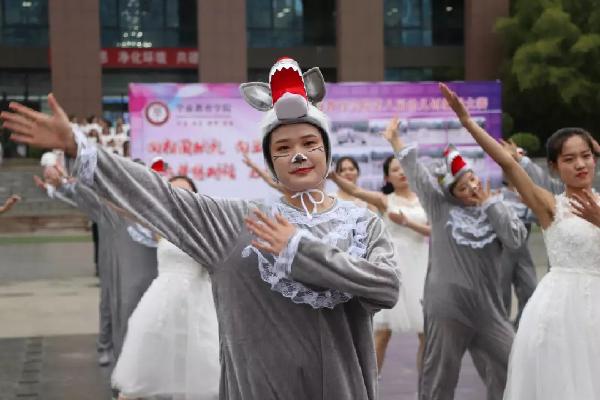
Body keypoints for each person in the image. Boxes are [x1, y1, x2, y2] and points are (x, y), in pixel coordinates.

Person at [2, 58, 399, 400]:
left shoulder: (361, 223)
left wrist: (297, 248)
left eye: (310, 143)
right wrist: (79, 147)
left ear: (327, 152)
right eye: (282, 148)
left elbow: (386, 287)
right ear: (270, 162)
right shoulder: (238, 222)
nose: (298, 155)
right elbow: (160, 197)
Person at [438, 82, 600, 400]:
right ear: (554, 166)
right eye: (569, 159)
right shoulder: (550, 204)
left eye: (586, 156)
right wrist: (468, 122)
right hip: (561, 309)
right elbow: (509, 164)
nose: (580, 165)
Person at [382, 115, 526, 400]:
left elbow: (515, 239)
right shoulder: (440, 207)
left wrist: (491, 205)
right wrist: (395, 140)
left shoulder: (496, 205)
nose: (471, 187)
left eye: (471, 179)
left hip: (489, 311)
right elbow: (417, 174)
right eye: (461, 187)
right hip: (447, 308)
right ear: (451, 193)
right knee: (440, 377)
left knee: (513, 364)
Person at [113, 176, 220, 400]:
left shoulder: (206, 228)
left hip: (198, 305)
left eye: (186, 192)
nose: (180, 197)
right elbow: (124, 208)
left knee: (199, 367)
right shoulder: (159, 225)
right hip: (160, 304)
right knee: (142, 370)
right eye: (174, 191)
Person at [330, 155, 430, 376]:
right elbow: (355, 191)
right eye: (395, 169)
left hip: (421, 266)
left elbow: (433, 230)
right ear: (387, 177)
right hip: (394, 267)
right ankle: (368, 386)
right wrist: (334, 177)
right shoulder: (384, 200)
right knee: (382, 333)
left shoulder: (424, 199)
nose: (401, 172)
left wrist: (408, 223)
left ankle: (426, 389)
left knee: (427, 333)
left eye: (403, 168)